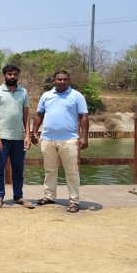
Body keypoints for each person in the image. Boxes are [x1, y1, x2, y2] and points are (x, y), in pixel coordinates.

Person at [31, 69, 89, 213]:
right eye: (59, 79)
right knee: (49, 170)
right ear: (54, 81)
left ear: (69, 81)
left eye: (65, 79)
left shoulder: (76, 96)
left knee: (72, 171)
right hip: (47, 139)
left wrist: (84, 137)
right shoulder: (46, 95)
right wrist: (34, 132)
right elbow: (39, 115)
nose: (62, 81)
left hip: (69, 139)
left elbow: (83, 117)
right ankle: (49, 196)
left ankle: (74, 200)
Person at [0, 64, 34, 209]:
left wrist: (27, 135)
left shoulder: (23, 92)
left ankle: (18, 196)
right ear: (4, 75)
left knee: (18, 168)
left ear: (18, 75)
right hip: (2, 137)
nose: (12, 76)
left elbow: (26, 115)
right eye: (9, 74)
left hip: (19, 137)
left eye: (15, 74)